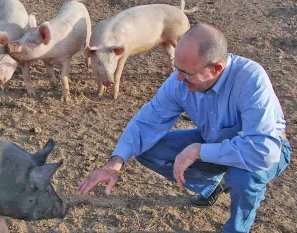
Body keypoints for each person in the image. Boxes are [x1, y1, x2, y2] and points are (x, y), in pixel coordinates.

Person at [78, 23, 292, 233]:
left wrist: (199, 151)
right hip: (213, 142)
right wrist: (114, 163)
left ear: (215, 68)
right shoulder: (179, 80)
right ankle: (212, 185)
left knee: (243, 177)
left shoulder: (250, 79)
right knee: (146, 148)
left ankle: (237, 228)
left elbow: (263, 151)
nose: (178, 77)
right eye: (177, 68)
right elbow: (146, 122)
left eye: (186, 72)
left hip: (264, 150)